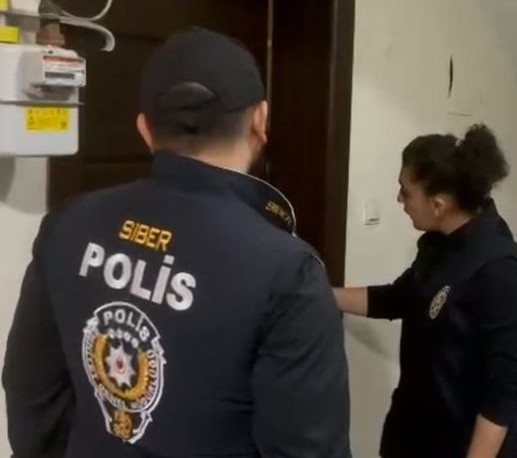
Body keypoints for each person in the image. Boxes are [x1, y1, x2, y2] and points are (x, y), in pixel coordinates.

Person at [2, 28, 351, 458]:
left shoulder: (69, 223)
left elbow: (31, 388)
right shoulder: (288, 272)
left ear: (145, 130)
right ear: (260, 121)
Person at [335, 124, 517, 458]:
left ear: (438, 204)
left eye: (406, 192)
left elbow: (504, 396)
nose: (399, 200)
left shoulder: (502, 274)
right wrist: (323, 295)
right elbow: (399, 298)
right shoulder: (440, 246)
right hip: (419, 438)